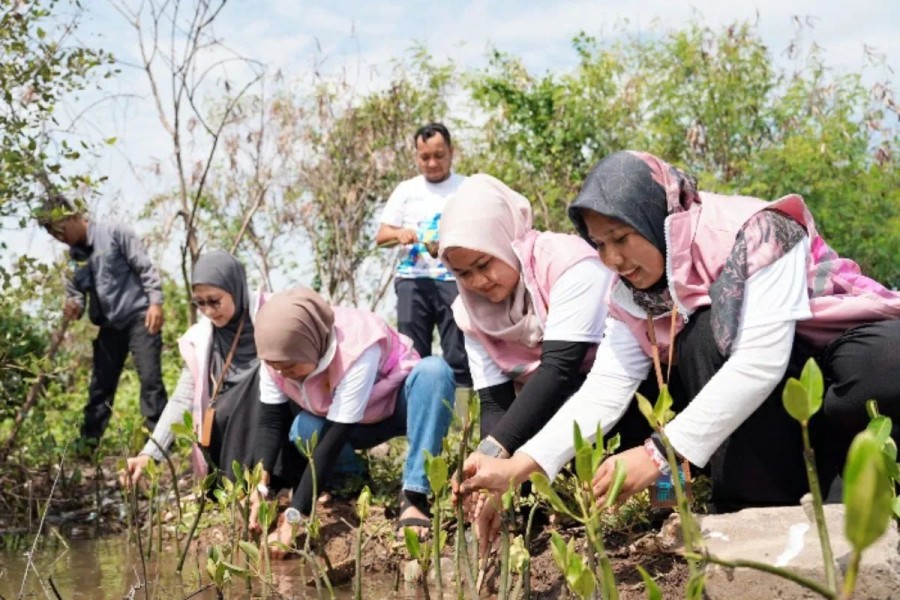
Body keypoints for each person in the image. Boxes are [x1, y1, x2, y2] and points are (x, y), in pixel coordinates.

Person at [457, 150, 900, 517]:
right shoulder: (632, 294)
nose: (612, 258)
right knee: (702, 336)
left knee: (882, 366)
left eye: (622, 237)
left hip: (834, 347)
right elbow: (607, 387)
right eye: (600, 244)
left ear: (654, 217)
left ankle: (848, 465)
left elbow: (761, 360)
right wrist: (521, 466)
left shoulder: (760, 230)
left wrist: (656, 456)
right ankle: (757, 504)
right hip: (781, 387)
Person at [439, 174, 613, 554]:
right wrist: (487, 475)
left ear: (506, 241)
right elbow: (495, 401)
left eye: (484, 263)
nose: (478, 281)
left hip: (609, 398)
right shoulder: (467, 311)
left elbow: (559, 370)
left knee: (607, 482)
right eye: (463, 273)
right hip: (537, 412)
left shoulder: (569, 265)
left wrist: (493, 455)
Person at [250, 288, 456, 558]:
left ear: (312, 345)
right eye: (275, 365)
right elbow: (271, 422)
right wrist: (259, 487)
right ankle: (351, 480)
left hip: (398, 408)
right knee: (303, 430)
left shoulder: (358, 345)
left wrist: (292, 520)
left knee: (434, 371)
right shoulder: (275, 359)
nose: (282, 373)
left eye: (289, 366)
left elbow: (335, 436)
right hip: (351, 424)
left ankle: (414, 495)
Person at [122, 251, 300, 489]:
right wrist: (150, 453)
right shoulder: (203, 338)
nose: (208, 311)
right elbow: (182, 398)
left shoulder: (274, 317)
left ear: (235, 288)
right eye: (200, 303)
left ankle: (283, 481)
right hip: (229, 451)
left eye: (214, 301)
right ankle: (238, 488)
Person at [38, 195, 167, 449]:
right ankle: (87, 445)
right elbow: (75, 295)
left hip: (140, 318)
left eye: (60, 230)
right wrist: (73, 307)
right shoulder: (73, 259)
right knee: (100, 387)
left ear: (73, 216)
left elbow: (145, 268)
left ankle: (158, 446)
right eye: (54, 235)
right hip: (108, 327)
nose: (59, 237)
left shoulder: (115, 232)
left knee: (151, 381)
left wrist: (156, 302)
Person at [375, 122, 472, 388]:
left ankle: (463, 422)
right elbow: (381, 236)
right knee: (412, 356)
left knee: (459, 353)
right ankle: (413, 420)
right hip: (412, 282)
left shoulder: (467, 188)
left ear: (451, 152)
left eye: (438, 156)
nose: (431, 163)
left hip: (455, 281)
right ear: (416, 156)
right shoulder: (406, 190)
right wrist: (399, 234)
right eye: (424, 157)